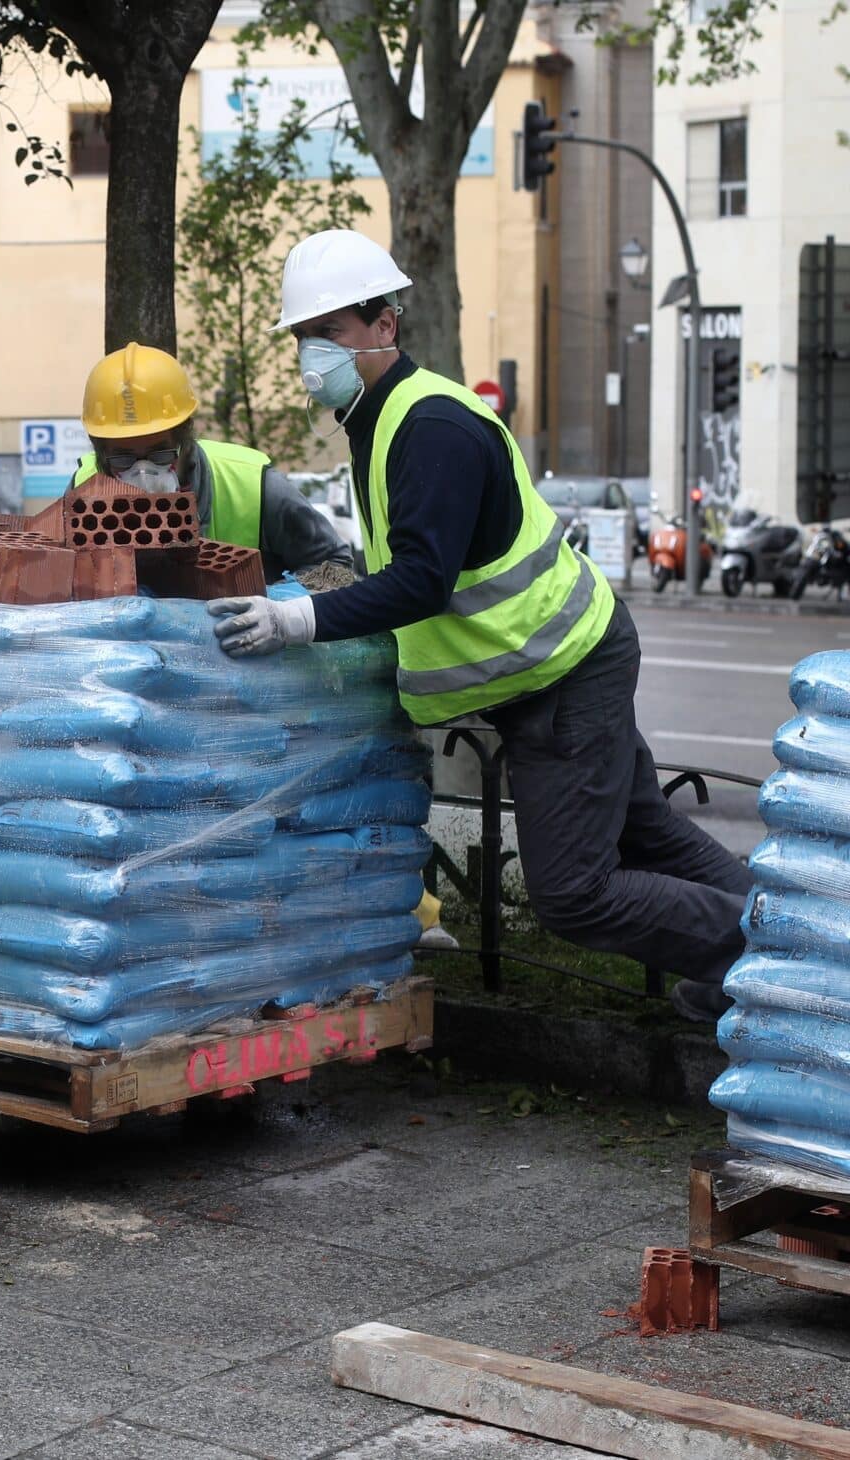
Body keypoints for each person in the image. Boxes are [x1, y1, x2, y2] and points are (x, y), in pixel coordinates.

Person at [208, 228, 751, 1022]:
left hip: (562, 670)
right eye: (303, 338)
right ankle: (805, 944)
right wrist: (328, 585)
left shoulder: (431, 428)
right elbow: (411, 557)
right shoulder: (379, 417)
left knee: (575, 894)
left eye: (330, 333)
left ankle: (757, 955)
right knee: (647, 836)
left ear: (384, 325)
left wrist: (300, 618)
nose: (310, 356)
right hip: (552, 665)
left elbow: (422, 581)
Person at [72, 342, 351, 579]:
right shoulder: (81, 493)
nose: (143, 474)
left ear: (186, 440)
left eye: (161, 454)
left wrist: (279, 611)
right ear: (100, 454)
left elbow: (335, 569)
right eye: (123, 458)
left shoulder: (252, 486)